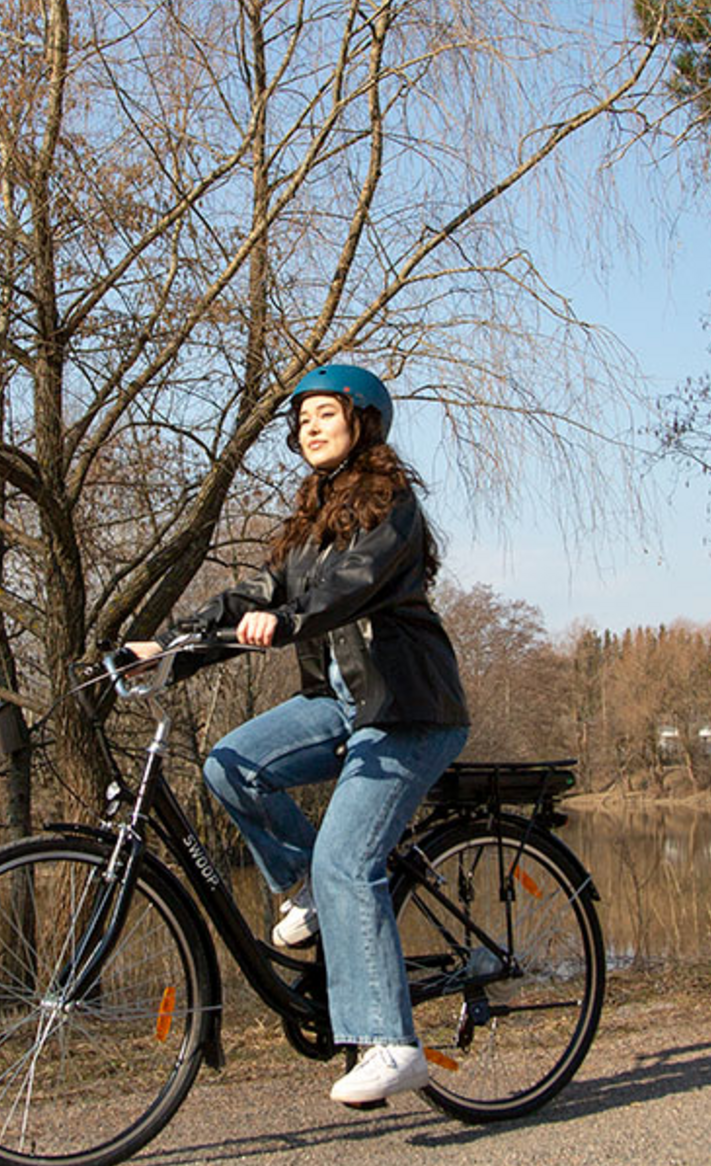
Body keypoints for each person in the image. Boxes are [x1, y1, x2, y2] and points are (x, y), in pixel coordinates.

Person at [134, 364, 469, 1108]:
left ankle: (391, 1042)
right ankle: (304, 887)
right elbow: (255, 600)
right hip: (340, 707)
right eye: (303, 419)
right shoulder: (308, 526)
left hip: (408, 709)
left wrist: (286, 621)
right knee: (231, 764)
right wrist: (164, 647)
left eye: (325, 414)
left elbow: (351, 585)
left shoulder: (391, 508)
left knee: (349, 857)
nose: (310, 427)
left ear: (363, 424)